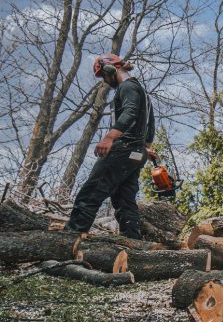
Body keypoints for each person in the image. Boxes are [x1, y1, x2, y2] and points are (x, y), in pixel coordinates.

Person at [65, 54, 156, 240]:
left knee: (90, 193)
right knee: (124, 201)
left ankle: (69, 239)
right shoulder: (141, 91)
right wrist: (144, 147)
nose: (105, 81)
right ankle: (132, 245)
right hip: (137, 152)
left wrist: (109, 137)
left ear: (110, 69)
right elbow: (150, 123)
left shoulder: (127, 87)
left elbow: (130, 112)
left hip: (123, 148)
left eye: (104, 76)